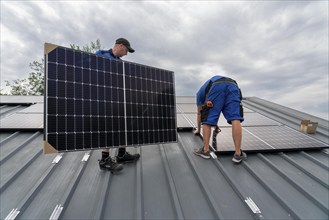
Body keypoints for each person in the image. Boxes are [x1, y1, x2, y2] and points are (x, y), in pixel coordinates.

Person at [96, 38, 140, 172]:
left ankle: (121, 154)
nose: (126, 54)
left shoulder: (121, 64)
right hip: (104, 100)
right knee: (107, 128)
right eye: (126, 50)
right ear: (120, 46)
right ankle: (104, 160)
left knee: (123, 125)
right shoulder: (101, 55)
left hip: (119, 101)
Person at [193, 75, 247, 163]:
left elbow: (200, 113)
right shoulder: (207, 85)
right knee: (235, 118)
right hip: (233, 85)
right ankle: (238, 154)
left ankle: (205, 151)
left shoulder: (199, 95)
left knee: (207, 118)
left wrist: (198, 130)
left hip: (216, 86)